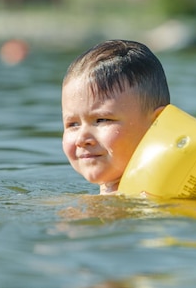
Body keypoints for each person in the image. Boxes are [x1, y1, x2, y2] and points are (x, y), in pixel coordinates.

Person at [61, 40, 170, 195]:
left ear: (156, 124)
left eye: (102, 120)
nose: (81, 139)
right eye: (72, 124)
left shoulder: (156, 197)